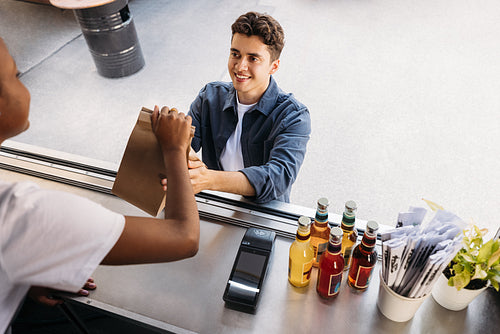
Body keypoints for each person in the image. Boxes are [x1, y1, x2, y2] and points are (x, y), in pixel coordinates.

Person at [0, 36, 199, 332]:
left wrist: (21, 271)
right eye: (16, 76)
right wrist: (174, 147)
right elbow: (184, 237)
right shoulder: (22, 215)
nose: (24, 85)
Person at [182, 11, 311, 203]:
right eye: (235, 54)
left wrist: (208, 179)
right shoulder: (209, 97)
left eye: (253, 58)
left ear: (273, 67)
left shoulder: (293, 116)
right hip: (217, 202)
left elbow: (278, 177)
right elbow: (184, 146)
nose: (240, 66)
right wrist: (179, 144)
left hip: (264, 212)